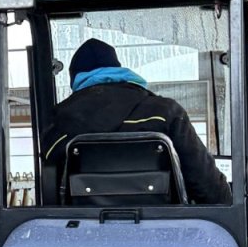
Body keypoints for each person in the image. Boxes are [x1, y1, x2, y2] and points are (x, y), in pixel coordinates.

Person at [42, 37, 231, 204]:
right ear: (119, 70)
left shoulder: (60, 119)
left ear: (76, 79)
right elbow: (206, 184)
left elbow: (49, 182)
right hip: (166, 232)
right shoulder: (165, 112)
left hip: (80, 234)